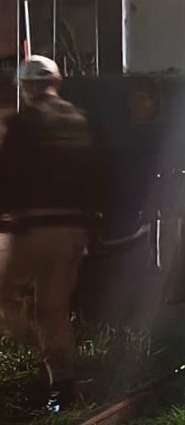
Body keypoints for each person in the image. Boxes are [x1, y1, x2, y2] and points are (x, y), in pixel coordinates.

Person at [0, 55, 105, 412]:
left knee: (6, 292)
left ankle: (24, 342)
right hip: (72, 231)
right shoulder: (82, 121)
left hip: (32, 229)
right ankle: (63, 389)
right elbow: (98, 177)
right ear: (57, 82)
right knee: (53, 311)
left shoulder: (23, 124)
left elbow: (8, 177)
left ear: (26, 87)